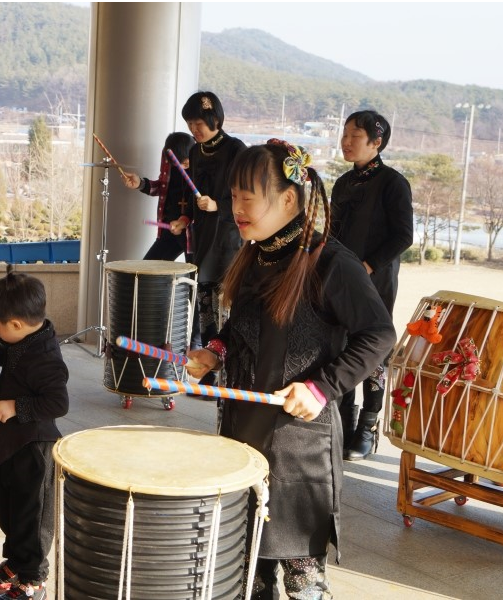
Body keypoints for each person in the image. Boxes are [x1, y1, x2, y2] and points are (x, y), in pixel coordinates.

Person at [186, 140, 396, 600]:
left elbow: (379, 337)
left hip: (300, 448)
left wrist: (321, 388)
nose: (236, 207)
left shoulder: (332, 263)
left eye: (248, 197)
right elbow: (238, 331)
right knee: (247, 577)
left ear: (287, 199)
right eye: (233, 195)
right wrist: (214, 353)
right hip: (243, 434)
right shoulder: (256, 254)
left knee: (304, 583)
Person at [0, 266, 69, 602]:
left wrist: (15, 407)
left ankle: (33, 577)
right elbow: (11, 353)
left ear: (17, 324)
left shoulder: (47, 357)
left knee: (30, 515)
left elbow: (57, 402)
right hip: (11, 442)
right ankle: (15, 562)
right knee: (9, 507)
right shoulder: (27, 339)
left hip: (34, 446)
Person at [331, 110, 413, 461]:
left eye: (355, 136)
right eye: (345, 134)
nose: (346, 142)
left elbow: (404, 236)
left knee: (373, 349)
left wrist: (367, 265)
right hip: (340, 280)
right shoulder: (342, 183)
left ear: (376, 143)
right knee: (340, 346)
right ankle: (344, 423)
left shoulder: (393, 182)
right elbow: (333, 233)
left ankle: (367, 427)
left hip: (375, 282)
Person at [180, 91, 246, 356]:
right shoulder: (195, 152)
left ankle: (225, 367)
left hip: (228, 235)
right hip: (204, 234)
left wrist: (219, 205)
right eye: (190, 125)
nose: (194, 130)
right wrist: (185, 217)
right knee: (204, 301)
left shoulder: (236, 149)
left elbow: (246, 194)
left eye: (198, 124)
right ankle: (209, 361)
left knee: (225, 302)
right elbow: (191, 190)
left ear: (215, 119)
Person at [120, 132, 194, 260]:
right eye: (177, 165)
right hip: (169, 227)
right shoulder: (168, 155)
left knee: (197, 278)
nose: (181, 168)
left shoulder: (204, 158)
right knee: (147, 272)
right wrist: (141, 184)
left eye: (186, 164)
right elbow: (163, 187)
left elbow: (206, 202)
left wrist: (185, 222)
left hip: (193, 232)